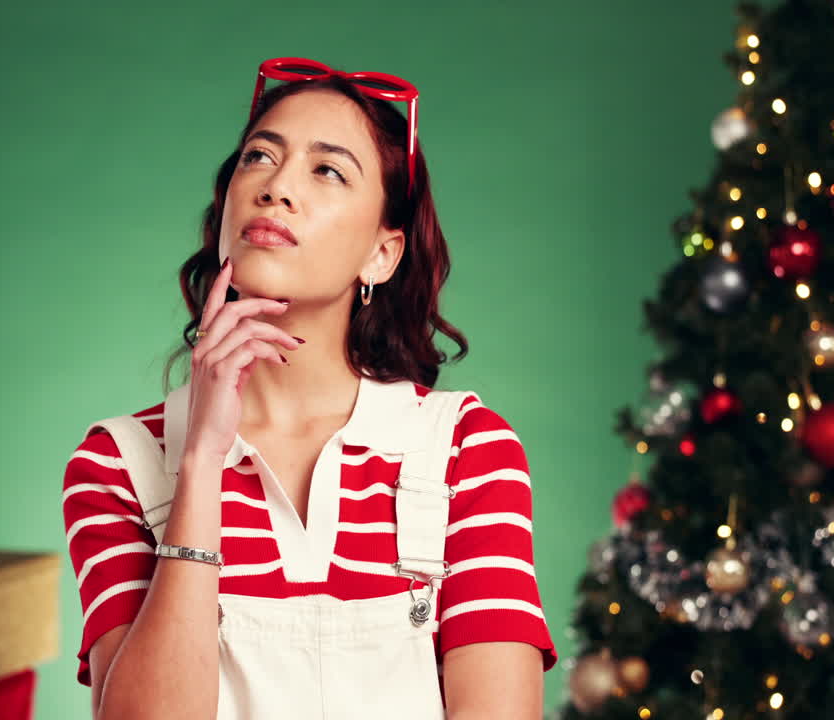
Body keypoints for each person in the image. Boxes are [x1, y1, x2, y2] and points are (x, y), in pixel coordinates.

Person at [62, 57, 557, 720]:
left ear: (382, 254)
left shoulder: (465, 452)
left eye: (327, 169)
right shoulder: (116, 464)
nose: (276, 188)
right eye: (258, 157)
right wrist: (201, 463)